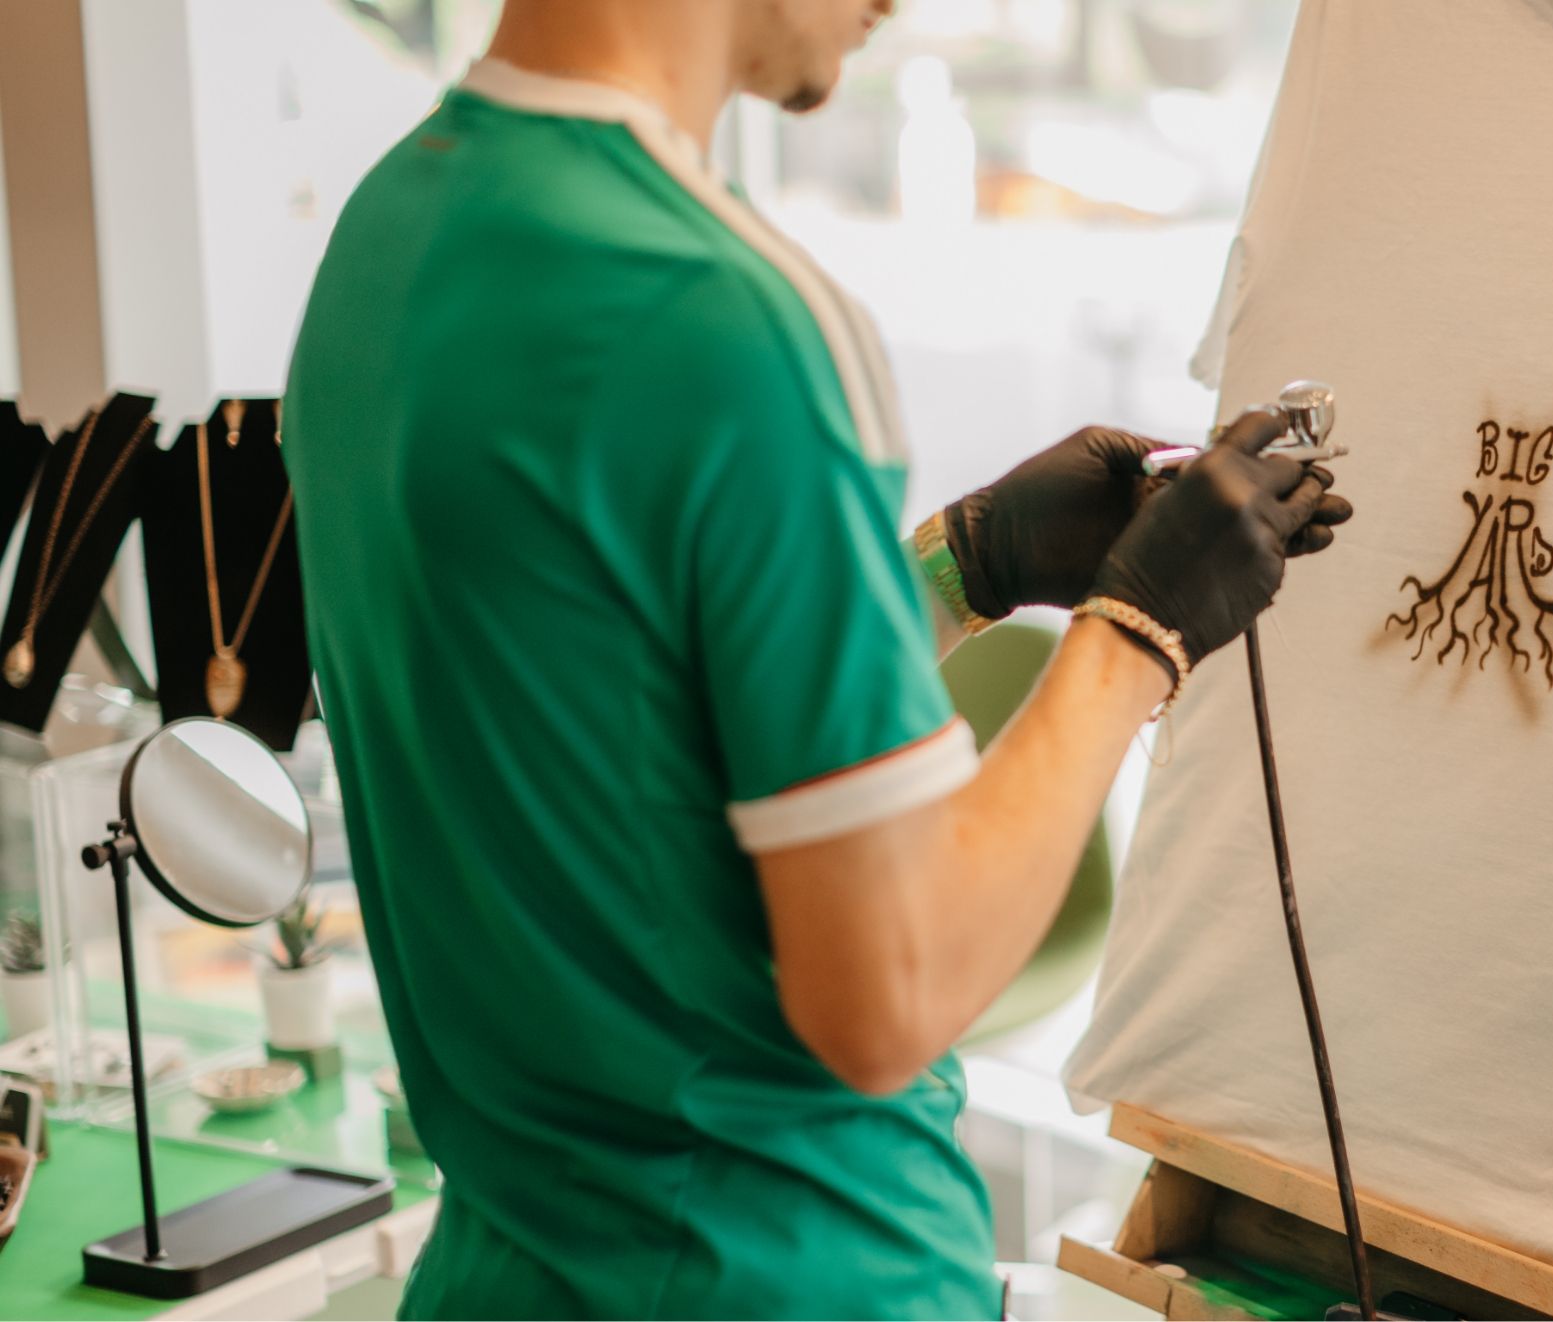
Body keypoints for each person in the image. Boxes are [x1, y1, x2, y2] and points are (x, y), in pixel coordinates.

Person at [280, 1, 1351, 1316]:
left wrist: (966, 566)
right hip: (776, 1274)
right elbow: (893, 986)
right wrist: (1141, 633)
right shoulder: (727, 320)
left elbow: (629, 731)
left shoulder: (389, 235)